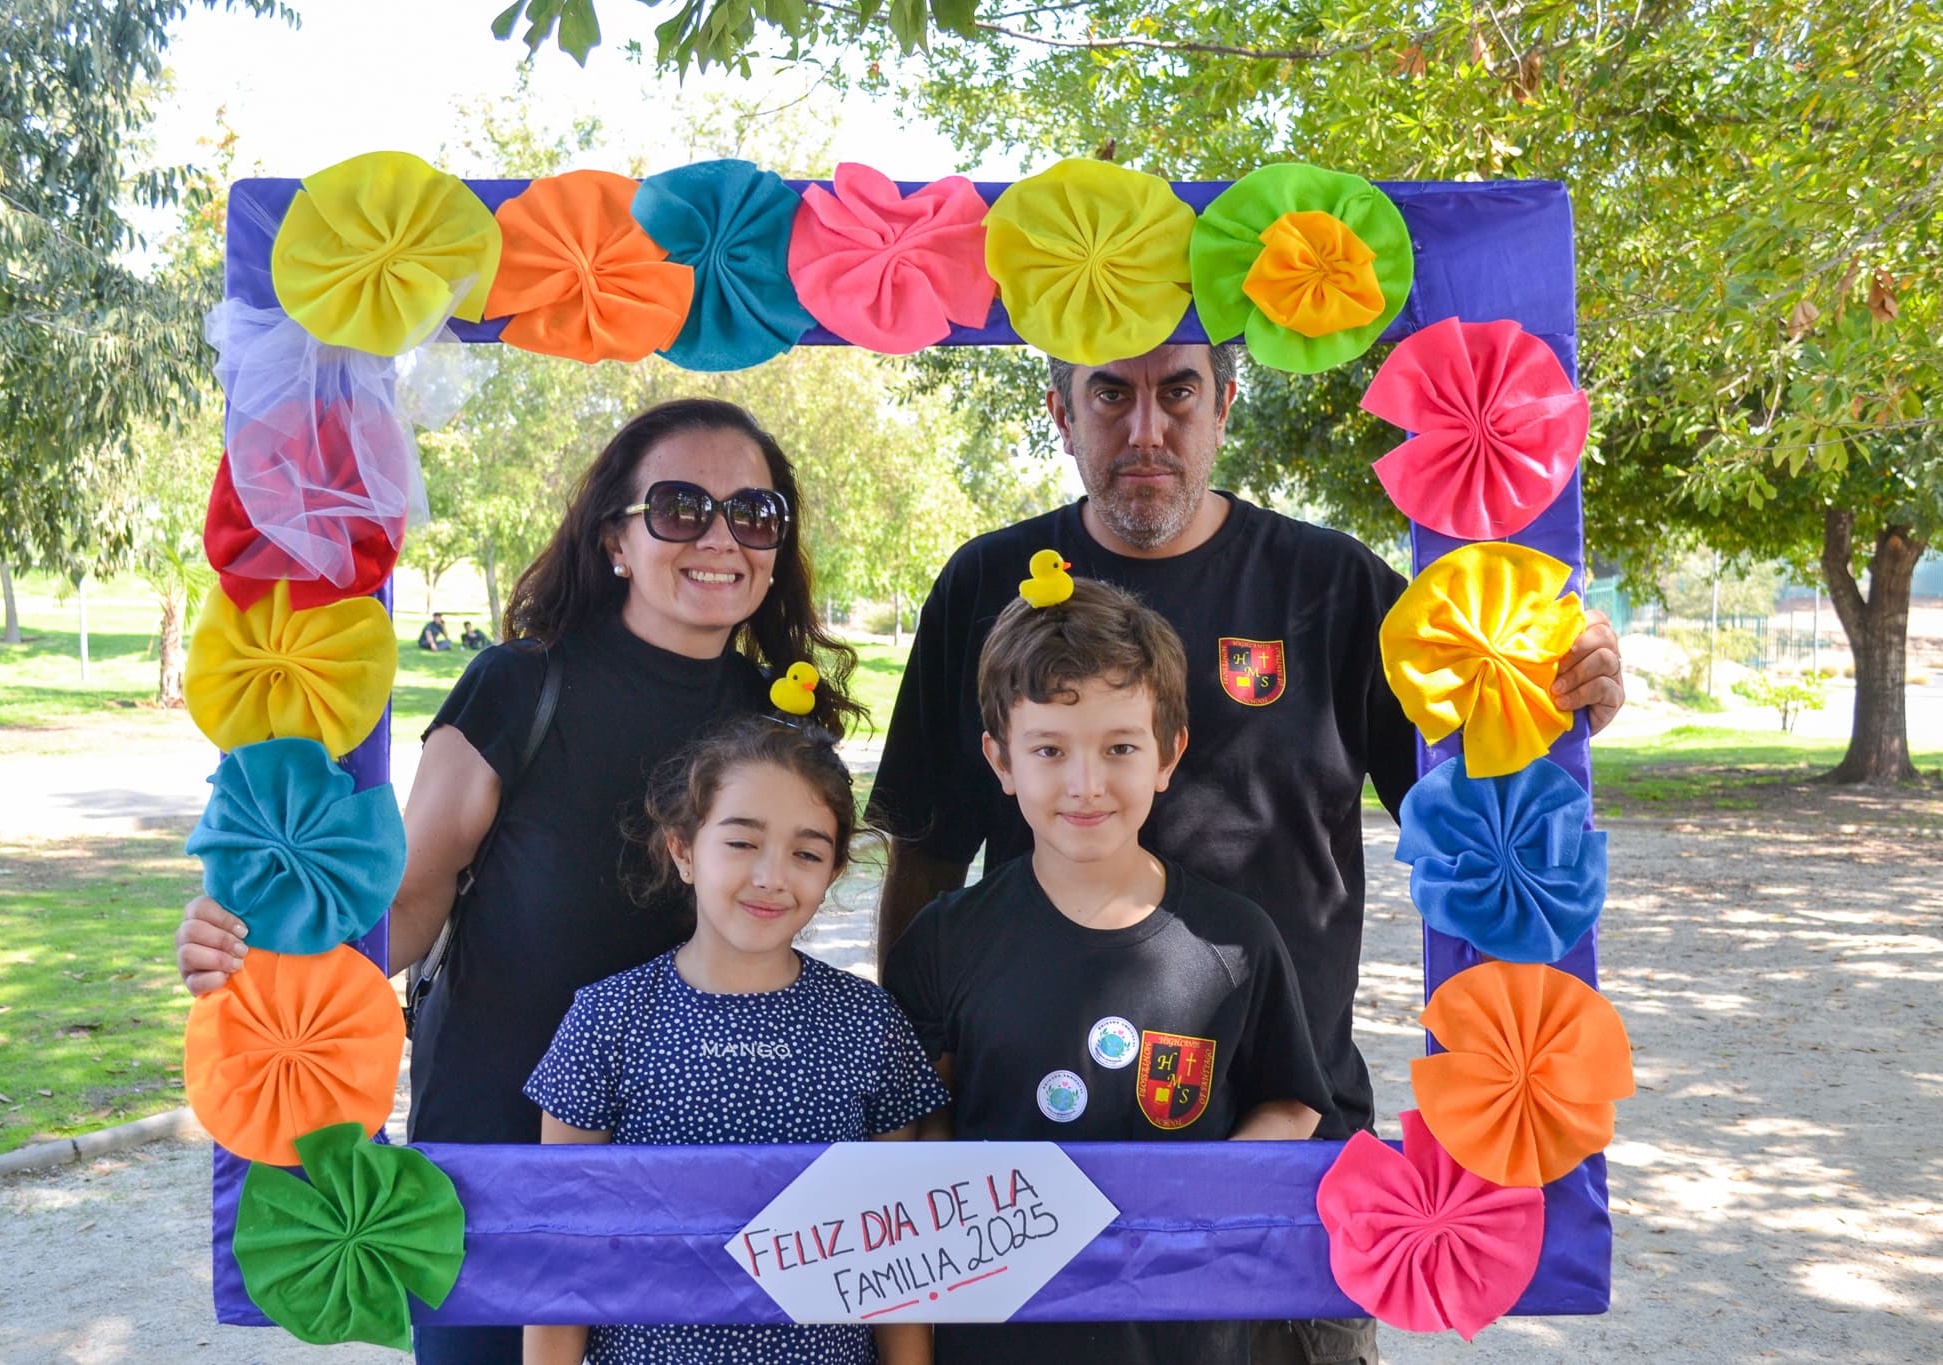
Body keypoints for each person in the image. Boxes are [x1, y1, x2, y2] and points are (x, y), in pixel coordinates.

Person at [867, 342, 1625, 1365]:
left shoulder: (1333, 587)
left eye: (1178, 391)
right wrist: (911, 1091)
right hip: (1026, 1169)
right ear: (1059, 411)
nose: (1145, 429)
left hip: (1293, 1149)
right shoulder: (983, 584)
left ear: (1224, 403)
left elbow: (1475, 806)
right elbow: (922, 857)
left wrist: (1552, 697)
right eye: (1109, 393)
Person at [176, 398, 865, 1365]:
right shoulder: (517, 687)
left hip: (690, 1175)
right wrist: (261, 957)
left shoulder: (781, 730)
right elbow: (409, 904)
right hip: (498, 1165)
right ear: (615, 540)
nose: (720, 537)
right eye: (680, 507)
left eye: (754, 514)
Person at [883, 577, 1333, 1364]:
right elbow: (914, 1141)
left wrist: (1200, 1203)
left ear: (1169, 753)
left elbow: (1291, 1102)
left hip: (1181, 1342)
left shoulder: (1235, 942)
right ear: (1000, 759)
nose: (1085, 784)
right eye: (1049, 749)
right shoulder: (945, 941)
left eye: (1120, 747)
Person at [523, 715, 947, 1365]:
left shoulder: (870, 1024)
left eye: (806, 853)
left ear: (833, 871)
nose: (772, 876)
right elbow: (563, 1250)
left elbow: (898, 1260)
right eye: (743, 842)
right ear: (683, 850)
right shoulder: (606, 1020)